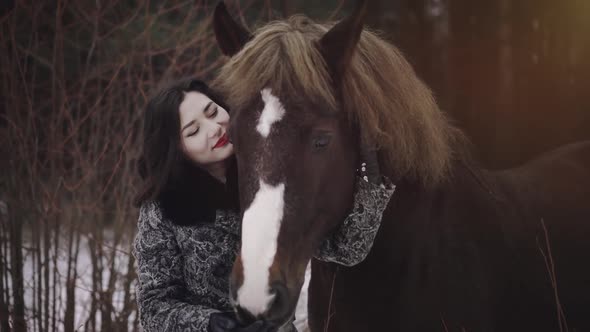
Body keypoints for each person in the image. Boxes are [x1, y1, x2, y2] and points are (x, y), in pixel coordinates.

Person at [132, 78, 395, 332]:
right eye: (194, 130)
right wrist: (212, 324)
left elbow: (345, 250)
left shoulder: (273, 181)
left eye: (212, 112)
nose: (214, 129)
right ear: (177, 149)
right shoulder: (163, 208)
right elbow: (153, 306)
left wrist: (371, 183)